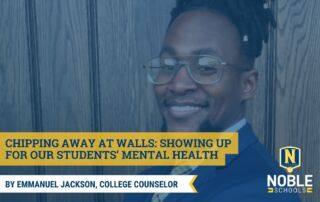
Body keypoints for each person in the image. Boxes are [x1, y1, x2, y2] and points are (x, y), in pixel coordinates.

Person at [125, 0, 300, 201]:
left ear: (247, 85)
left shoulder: (259, 191)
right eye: (168, 65)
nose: (178, 85)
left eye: (206, 67)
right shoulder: (149, 181)